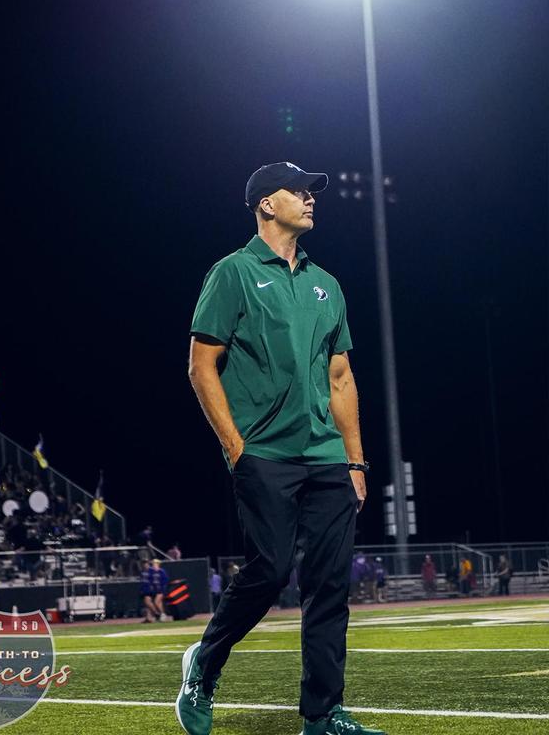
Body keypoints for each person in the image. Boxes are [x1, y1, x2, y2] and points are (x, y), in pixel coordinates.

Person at [177, 162, 384, 735]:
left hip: (327, 458)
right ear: (266, 204)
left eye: (312, 191)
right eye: (299, 191)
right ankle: (203, 664)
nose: (311, 198)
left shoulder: (328, 284)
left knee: (329, 584)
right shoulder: (233, 273)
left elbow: (341, 378)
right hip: (263, 454)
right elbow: (201, 367)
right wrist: (236, 447)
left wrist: (356, 459)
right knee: (267, 573)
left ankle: (322, 715)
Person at [140, 559, 169, 623]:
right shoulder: (145, 571)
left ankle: (161, 614)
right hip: (153, 589)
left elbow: (165, 580)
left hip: (159, 589)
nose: (153, 564)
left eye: (155, 563)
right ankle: (150, 617)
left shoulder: (159, 571)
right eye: (153, 563)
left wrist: (161, 588)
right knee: (150, 604)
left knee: (156, 602)